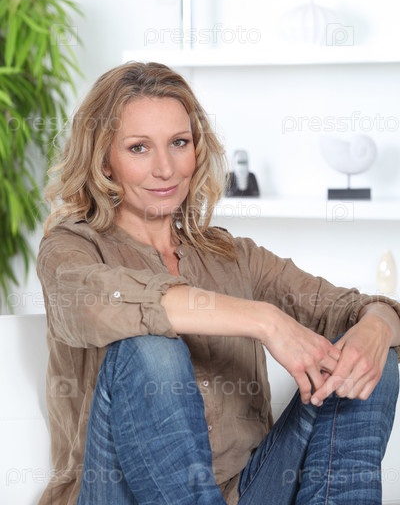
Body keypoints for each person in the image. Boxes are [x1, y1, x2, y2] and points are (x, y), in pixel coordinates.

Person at [36, 61, 400, 505]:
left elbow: (358, 307)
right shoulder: (70, 248)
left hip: (249, 490)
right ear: (105, 162)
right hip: (116, 493)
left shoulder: (233, 256)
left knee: (370, 359)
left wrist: (377, 326)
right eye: (138, 148)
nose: (165, 168)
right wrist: (266, 320)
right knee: (151, 350)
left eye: (179, 143)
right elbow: (96, 302)